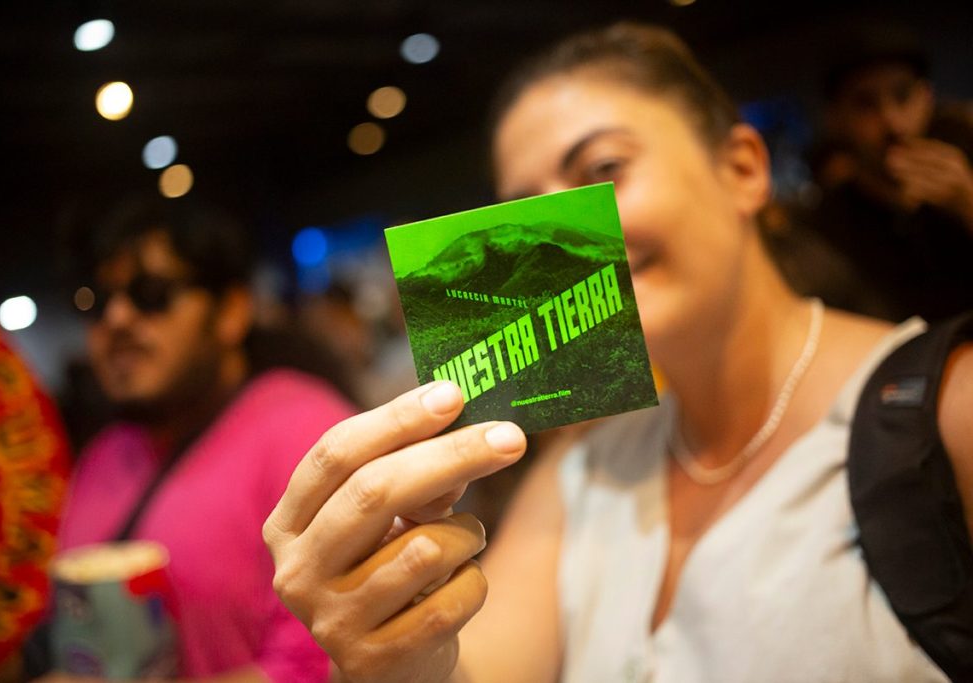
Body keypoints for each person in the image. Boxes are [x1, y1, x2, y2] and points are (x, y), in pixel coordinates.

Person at [262, 23, 973, 682]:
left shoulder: (948, 412)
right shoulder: (586, 468)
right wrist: (394, 642)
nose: (559, 242)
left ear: (743, 169)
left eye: (603, 168)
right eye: (526, 213)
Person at [36, 198, 353, 681]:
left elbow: (329, 661)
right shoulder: (103, 453)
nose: (117, 319)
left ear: (231, 311)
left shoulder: (306, 430)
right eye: (94, 301)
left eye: (152, 294)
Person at [804, 23, 973, 322]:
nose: (892, 122)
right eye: (865, 104)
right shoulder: (825, 233)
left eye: (902, 95)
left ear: (926, 97)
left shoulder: (964, 174)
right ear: (835, 118)